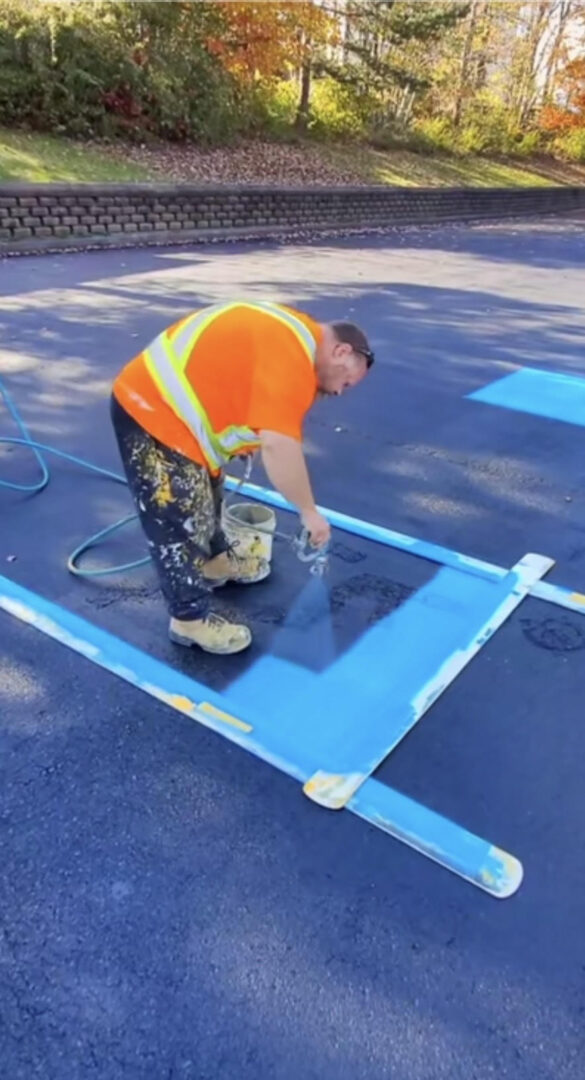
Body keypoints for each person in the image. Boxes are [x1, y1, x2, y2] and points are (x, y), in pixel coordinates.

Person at [110, 299, 374, 655]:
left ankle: (216, 562)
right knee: (179, 515)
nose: (341, 391)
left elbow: (239, 374)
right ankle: (188, 619)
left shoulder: (295, 335)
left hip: (177, 413)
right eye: (347, 381)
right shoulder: (293, 359)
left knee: (208, 496)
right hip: (151, 409)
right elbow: (280, 449)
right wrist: (308, 513)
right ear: (341, 350)